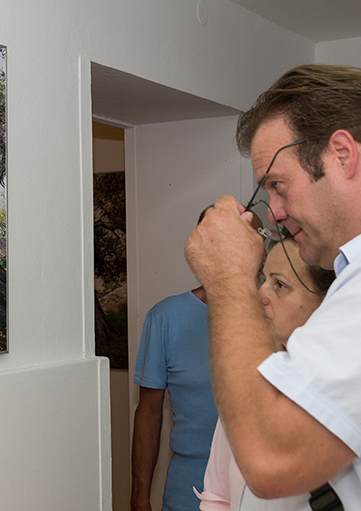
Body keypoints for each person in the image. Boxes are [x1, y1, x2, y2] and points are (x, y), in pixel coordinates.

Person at [184, 64, 361, 509]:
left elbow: (270, 459)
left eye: (278, 185)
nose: (276, 212)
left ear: (342, 153)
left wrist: (227, 279)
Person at [194, 233, 336, 511]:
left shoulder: (346, 393)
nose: (261, 294)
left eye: (280, 285)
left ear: (326, 302)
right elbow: (217, 495)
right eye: (265, 280)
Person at [131, 208, 242, 511]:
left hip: (258, 488)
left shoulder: (276, 314)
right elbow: (149, 413)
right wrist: (139, 496)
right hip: (188, 489)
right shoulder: (166, 318)